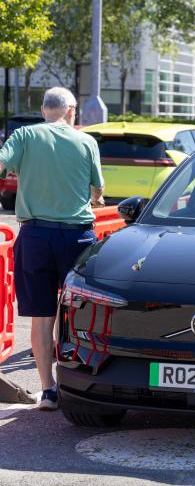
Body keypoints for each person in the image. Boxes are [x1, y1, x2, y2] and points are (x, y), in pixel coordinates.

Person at [0, 87, 105, 411]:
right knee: (75, 314)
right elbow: (97, 189)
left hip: (35, 236)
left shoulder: (25, 135)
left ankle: (48, 390)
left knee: (42, 317)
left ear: (44, 109)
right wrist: (94, 200)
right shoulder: (86, 141)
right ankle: (77, 384)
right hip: (76, 237)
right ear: (71, 111)